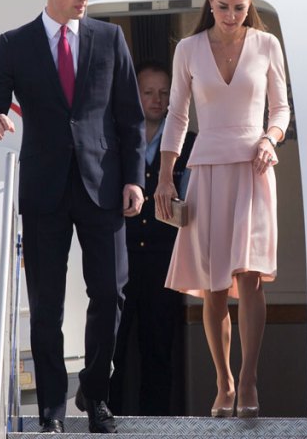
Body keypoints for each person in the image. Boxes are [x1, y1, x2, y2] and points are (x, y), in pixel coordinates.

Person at [0, 0, 145, 434]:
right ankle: (51, 408)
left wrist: (134, 177)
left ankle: (94, 390)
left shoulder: (110, 39)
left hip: (103, 186)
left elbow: (130, 118)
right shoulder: (16, 43)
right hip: (45, 189)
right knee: (45, 305)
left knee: (110, 294)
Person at [154, 0, 290, 419]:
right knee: (214, 287)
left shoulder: (267, 44)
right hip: (207, 169)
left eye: (240, 7)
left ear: (249, 5)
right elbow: (177, 116)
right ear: (209, 1)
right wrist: (165, 174)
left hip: (254, 165)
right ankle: (224, 382)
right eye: (224, 6)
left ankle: (249, 380)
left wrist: (271, 138)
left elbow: (281, 108)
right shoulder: (189, 50)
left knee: (249, 278)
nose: (232, 15)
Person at [108, 61, 196, 416]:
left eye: (164, 93)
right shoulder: (114, 139)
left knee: (159, 347)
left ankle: (157, 423)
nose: (157, 100)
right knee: (112, 345)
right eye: (148, 92)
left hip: (166, 262)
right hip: (119, 258)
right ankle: (106, 417)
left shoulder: (190, 144)